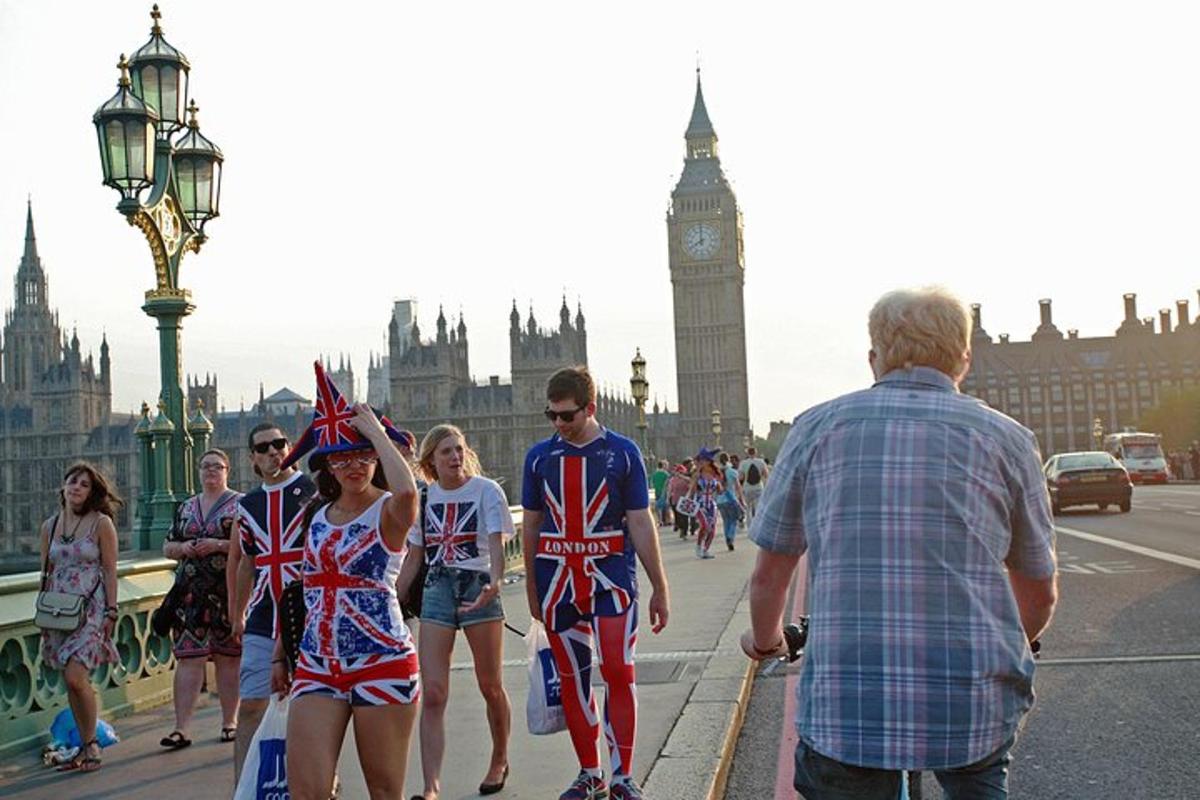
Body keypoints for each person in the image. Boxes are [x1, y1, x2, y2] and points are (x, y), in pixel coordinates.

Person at [741, 287, 1058, 800]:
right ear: (964, 360)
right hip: (973, 708)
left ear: (874, 358)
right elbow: (1039, 593)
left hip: (848, 715)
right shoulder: (1009, 440)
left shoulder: (815, 428)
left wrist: (766, 642)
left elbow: (769, 577)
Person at [272, 362, 422, 800]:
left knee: (383, 790)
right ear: (328, 466)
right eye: (341, 457)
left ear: (375, 458)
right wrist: (282, 653)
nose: (353, 466)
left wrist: (376, 432)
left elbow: (410, 494)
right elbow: (307, 591)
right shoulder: (317, 517)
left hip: (382, 660)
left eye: (362, 457)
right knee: (307, 791)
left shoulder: (388, 512)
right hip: (318, 663)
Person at [522, 365, 670, 800]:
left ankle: (623, 774)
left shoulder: (624, 453)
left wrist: (659, 585)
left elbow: (641, 522)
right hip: (557, 581)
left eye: (566, 416)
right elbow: (530, 526)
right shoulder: (538, 457)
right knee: (573, 678)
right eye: (551, 416)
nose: (559, 425)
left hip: (611, 580)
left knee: (618, 672)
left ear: (591, 408)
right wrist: (532, 588)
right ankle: (591, 772)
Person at [397, 424, 514, 800]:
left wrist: (495, 582)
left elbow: (496, 546)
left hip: (478, 584)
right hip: (438, 588)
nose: (455, 457)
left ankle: (499, 758)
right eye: (446, 451)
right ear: (431, 460)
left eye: (459, 449)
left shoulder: (486, 491)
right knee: (432, 691)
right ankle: (431, 786)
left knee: (490, 685)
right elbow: (415, 557)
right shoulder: (425, 499)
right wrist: (392, 598)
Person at [227, 422, 317, 787]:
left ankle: (320, 781)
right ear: (252, 458)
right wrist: (237, 614)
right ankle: (243, 788)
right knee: (250, 705)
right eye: (263, 448)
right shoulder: (247, 505)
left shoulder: (312, 491)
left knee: (312, 706)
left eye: (279, 444)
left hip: (310, 610)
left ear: (290, 447)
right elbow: (246, 562)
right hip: (265, 613)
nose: (272, 452)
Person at [39, 462, 122, 773]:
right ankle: (83, 745)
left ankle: (91, 745)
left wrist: (112, 610)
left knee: (76, 676)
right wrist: (43, 612)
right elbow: (46, 571)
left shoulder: (101, 524)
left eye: (84, 484)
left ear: (92, 491)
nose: (76, 487)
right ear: (63, 487)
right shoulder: (49, 526)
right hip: (59, 611)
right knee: (71, 683)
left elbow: (111, 570)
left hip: (90, 609)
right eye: (72, 482)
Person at [160, 449, 243, 749]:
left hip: (228, 592)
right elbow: (168, 545)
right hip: (190, 595)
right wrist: (183, 550)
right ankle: (181, 728)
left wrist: (219, 545)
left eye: (217, 467)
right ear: (198, 471)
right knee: (188, 658)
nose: (210, 471)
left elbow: (253, 546)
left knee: (228, 659)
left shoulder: (241, 505)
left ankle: (229, 722)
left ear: (227, 471)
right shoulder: (185, 507)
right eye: (205, 466)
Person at [686, 449, 723, 559]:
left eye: (703, 460)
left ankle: (705, 549)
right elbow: (692, 489)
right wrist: (688, 499)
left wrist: (719, 486)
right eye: (700, 460)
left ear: (708, 461)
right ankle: (698, 546)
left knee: (712, 528)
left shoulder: (714, 473)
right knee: (705, 525)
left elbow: (720, 490)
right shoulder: (697, 474)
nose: (701, 462)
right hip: (699, 503)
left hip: (711, 503)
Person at [716, 452, 745, 551]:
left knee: (726, 521)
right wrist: (741, 499)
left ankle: (727, 538)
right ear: (728, 460)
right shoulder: (732, 472)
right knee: (733, 520)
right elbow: (738, 487)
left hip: (720, 500)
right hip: (731, 499)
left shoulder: (717, 473)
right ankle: (730, 537)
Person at [738, 446, 769, 522]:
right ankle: (757, 524)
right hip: (758, 487)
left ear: (747, 453)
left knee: (748, 508)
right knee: (758, 508)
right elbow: (766, 475)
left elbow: (741, 477)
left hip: (747, 488)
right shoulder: (761, 462)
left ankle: (749, 527)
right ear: (756, 453)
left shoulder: (743, 463)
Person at [667, 461, 695, 538]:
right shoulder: (673, 480)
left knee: (683, 517)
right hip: (677, 500)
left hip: (683, 500)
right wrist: (668, 498)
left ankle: (684, 531)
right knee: (681, 517)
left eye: (681, 472)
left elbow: (691, 484)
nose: (680, 473)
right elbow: (670, 490)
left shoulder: (685, 479)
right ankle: (683, 530)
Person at [650, 459, 673, 527]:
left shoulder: (654, 474)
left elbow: (651, 484)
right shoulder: (666, 474)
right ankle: (667, 520)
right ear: (663, 466)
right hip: (665, 492)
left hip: (657, 492)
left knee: (658, 507)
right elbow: (669, 484)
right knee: (666, 507)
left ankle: (660, 521)